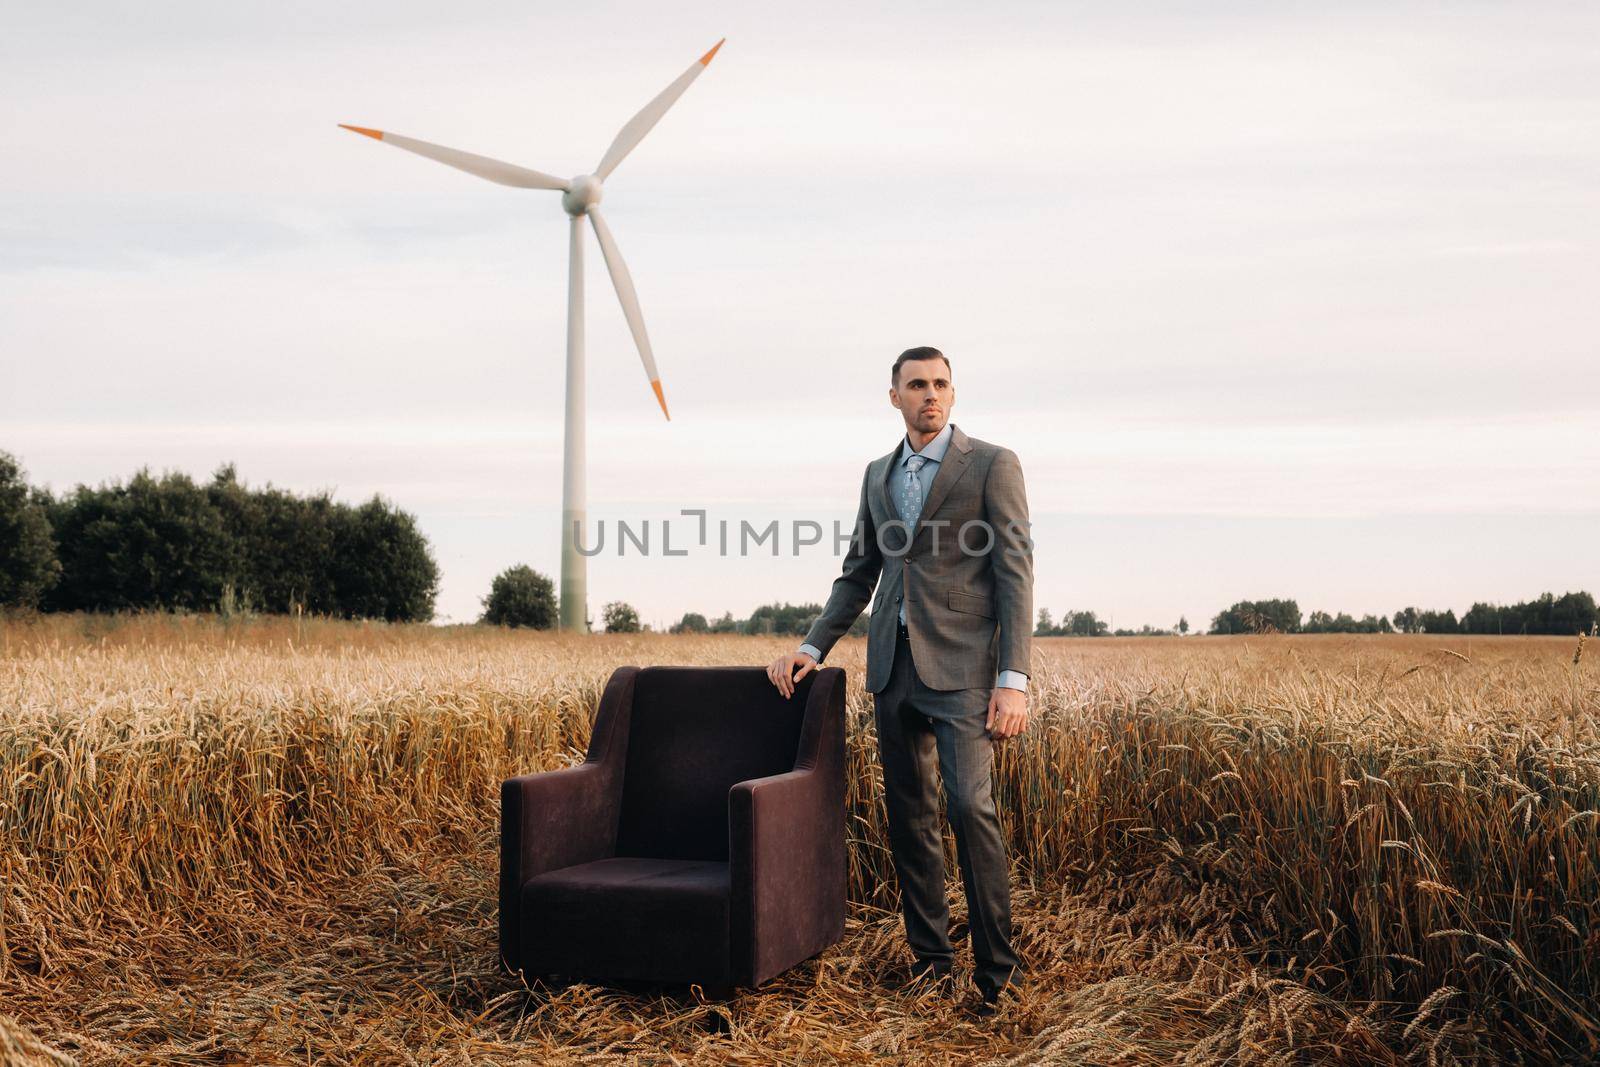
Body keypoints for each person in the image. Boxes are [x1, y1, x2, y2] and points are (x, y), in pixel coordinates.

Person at [765, 345, 1034, 1016]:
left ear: (952, 392)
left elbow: (1015, 572)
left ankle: (998, 972)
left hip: (966, 671)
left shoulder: (993, 464)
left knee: (970, 807)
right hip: (892, 666)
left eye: (941, 383)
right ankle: (931, 961)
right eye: (917, 384)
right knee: (909, 816)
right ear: (895, 396)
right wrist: (812, 644)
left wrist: (1014, 675)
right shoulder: (877, 475)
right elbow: (860, 570)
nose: (930, 394)